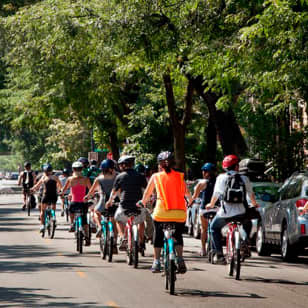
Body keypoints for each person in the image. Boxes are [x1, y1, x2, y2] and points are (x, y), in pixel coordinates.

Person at [139, 151, 192, 273]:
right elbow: (187, 193)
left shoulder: (156, 177)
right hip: (179, 213)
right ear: (173, 163)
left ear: (160, 165)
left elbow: (147, 194)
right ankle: (180, 259)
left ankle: (156, 261)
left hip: (162, 213)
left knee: (158, 234)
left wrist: (142, 202)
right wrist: (190, 202)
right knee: (178, 235)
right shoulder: (180, 176)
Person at [206, 155, 259, 264]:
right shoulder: (244, 178)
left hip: (225, 213)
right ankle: (245, 242)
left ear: (225, 167)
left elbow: (216, 194)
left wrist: (210, 205)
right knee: (247, 223)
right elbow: (251, 194)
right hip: (241, 212)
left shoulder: (221, 178)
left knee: (213, 228)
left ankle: (219, 254)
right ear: (236, 167)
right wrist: (254, 204)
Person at [105, 155, 148, 251]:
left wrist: (109, 201)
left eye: (120, 165)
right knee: (141, 221)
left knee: (118, 219)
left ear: (123, 165)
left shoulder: (120, 176)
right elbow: (146, 190)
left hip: (125, 205)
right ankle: (141, 242)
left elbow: (114, 192)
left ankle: (122, 237)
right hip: (138, 205)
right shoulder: (140, 176)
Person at [85, 159, 118, 241]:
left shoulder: (99, 178)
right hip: (115, 201)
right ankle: (114, 243)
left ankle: (99, 226)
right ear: (112, 168)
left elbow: (91, 191)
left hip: (103, 201)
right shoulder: (117, 177)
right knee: (114, 222)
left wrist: (87, 197)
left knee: (96, 211)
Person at [61, 161, 92, 245]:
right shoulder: (86, 179)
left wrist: (61, 194)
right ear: (82, 169)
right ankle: (87, 237)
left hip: (74, 202)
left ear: (73, 170)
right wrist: (89, 197)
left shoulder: (70, 179)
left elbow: (64, 189)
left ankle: (72, 224)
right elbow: (91, 190)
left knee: (71, 211)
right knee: (85, 221)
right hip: (83, 202)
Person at [191, 163, 217, 256]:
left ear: (206, 173)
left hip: (205, 209)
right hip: (217, 209)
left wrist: (190, 203)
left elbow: (194, 197)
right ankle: (216, 249)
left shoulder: (202, 183)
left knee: (204, 229)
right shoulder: (219, 182)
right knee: (216, 229)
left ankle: (203, 249)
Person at [31, 164, 62, 233]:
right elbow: (60, 186)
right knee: (53, 207)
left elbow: (37, 185)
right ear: (51, 171)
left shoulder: (44, 177)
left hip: (46, 195)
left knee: (43, 211)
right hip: (54, 195)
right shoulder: (55, 177)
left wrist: (32, 189)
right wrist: (60, 191)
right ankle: (53, 218)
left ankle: (42, 225)